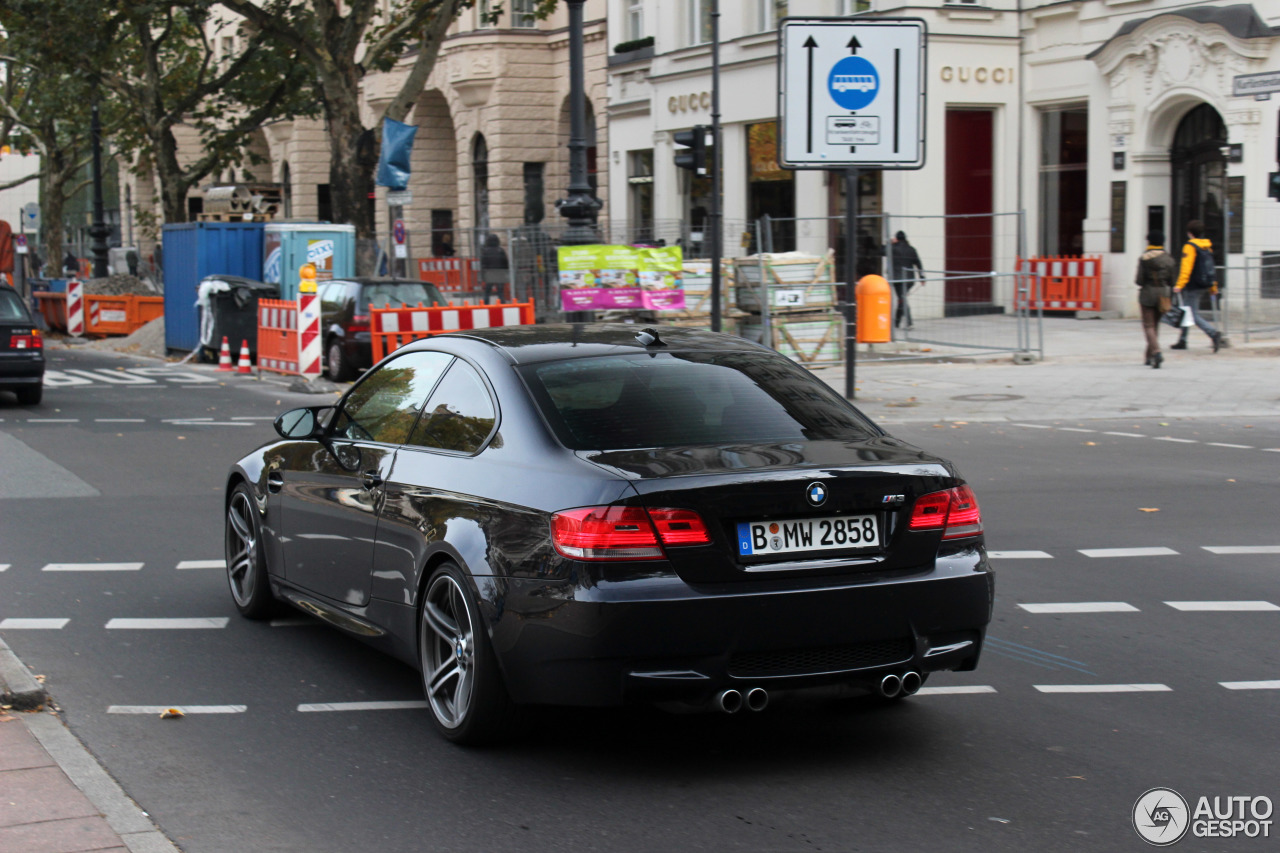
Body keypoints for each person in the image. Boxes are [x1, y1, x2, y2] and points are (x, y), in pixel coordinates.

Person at [1170, 219, 1223, 353]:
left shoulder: (1190, 247)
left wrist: (1179, 285)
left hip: (1192, 285)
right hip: (1204, 284)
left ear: (1189, 233)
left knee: (1191, 314)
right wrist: (1213, 288)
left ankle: (1213, 333)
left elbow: (1186, 268)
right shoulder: (1207, 247)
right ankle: (1182, 340)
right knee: (1187, 311)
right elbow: (1211, 269)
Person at [1134, 231, 1175, 369]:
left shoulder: (1144, 259)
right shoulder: (1169, 259)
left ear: (1149, 242)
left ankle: (1156, 352)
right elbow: (1172, 280)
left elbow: (1139, 280)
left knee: (1148, 326)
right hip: (1164, 294)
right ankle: (1148, 356)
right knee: (1155, 325)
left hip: (1147, 294)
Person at [889, 230, 924, 330]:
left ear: (897, 239)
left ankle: (909, 322)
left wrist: (889, 243)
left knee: (902, 299)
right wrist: (922, 277)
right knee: (902, 299)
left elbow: (881, 251)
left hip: (898, 280)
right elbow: (918, 263)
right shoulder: (911, 249)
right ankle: (896, 323)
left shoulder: (893, 248)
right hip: (909, 279)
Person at [479, 233, 509, 303]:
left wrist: (483, 274)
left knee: (487, 292)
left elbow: (483, 263)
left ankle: (486, 306)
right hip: (500, 273)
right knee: (500, 292)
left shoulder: (485, 251)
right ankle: (502, 306)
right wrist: (506, 272)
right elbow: (505, 262)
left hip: (489, 273)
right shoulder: (500, 250)